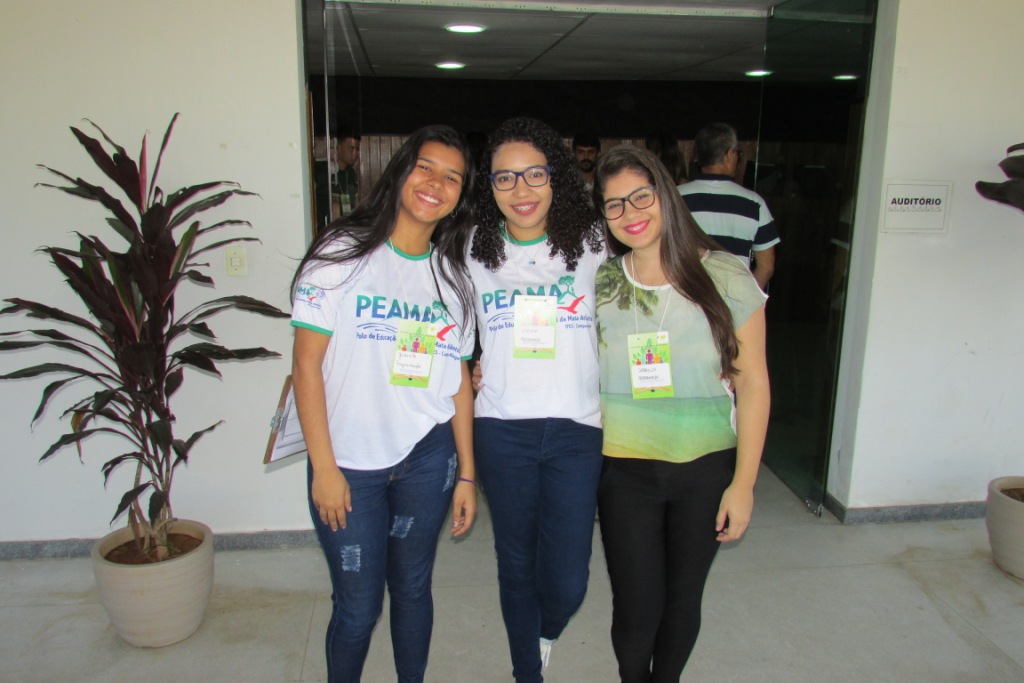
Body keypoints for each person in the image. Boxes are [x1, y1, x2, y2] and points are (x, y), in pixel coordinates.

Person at [290, 125, 478, 683]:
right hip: (348, 461)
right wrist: (324, 468)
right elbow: (305, 366)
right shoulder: (340, 253)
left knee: (414, 587)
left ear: (460, 196)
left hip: (427, 458)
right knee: (358, 607)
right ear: (400, 171)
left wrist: (468, 474)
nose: (436, 183)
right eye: (426, 167)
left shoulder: (453, 277)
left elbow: (458, 381)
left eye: (452, 177)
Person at [593, 145, 770, 682]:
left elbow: (754, 383)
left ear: (665, 194)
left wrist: (744, 486)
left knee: (682, 600)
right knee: (635, 611)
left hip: (705, 469)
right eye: (614, 204)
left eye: (640, 196)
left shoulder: (727, 275)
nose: (630, 213)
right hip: (624, 471)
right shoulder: (600, 282)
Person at [468, 117, 605, 683]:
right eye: (504, 178)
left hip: (578, 426)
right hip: (502, 428)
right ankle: (527, 670)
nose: (520, 190)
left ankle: (544, 631)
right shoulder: (470, 250)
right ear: (489, 186)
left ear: (557, 177)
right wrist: (464, 365)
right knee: (516, 563)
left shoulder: (594, 242)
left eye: (534, 174)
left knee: (569, 578)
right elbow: (438, 320)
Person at [679, 122, 779, 290]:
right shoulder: (754, 203)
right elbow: (767, 266)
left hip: (685, 297)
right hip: (734, 300)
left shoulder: (674, 198)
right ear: (729, 154)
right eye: (737, 153)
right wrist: (746, 299)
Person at [332, 128, 361, 217]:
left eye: (357, 149)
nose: (355, 153)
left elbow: (356, 202)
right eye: (351, 148)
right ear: (338, 149)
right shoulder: (329, 173)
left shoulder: (351, 173)